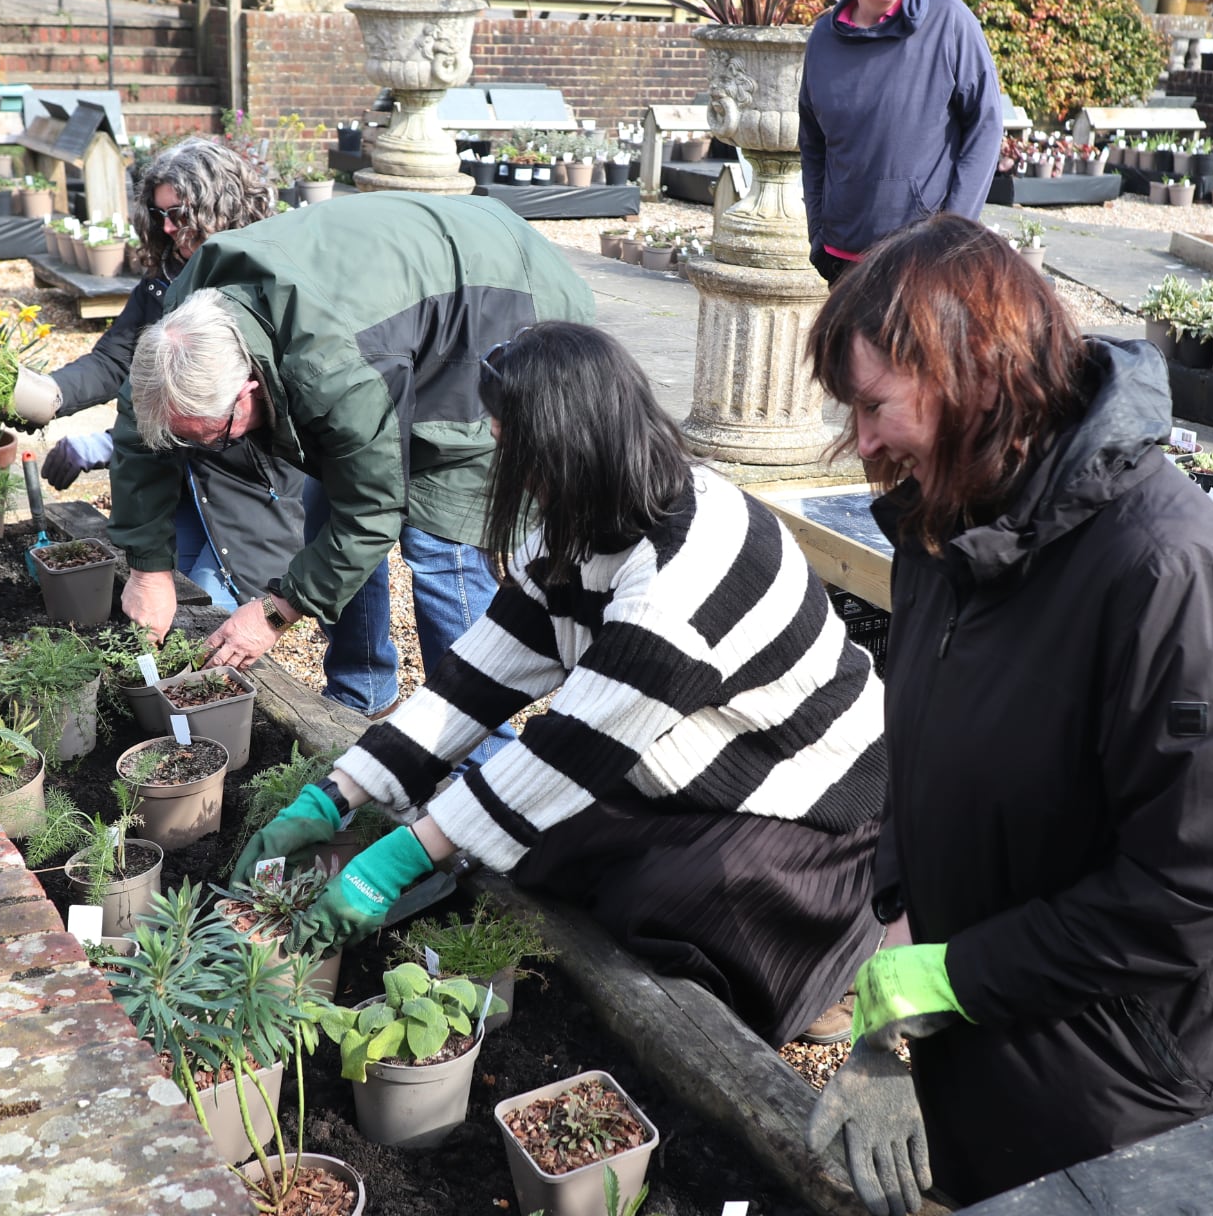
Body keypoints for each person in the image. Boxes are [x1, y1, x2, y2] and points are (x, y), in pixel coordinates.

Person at [802, 215, 1213, 1213]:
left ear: (975, 378)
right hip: (1014, 1034)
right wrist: (905, 932)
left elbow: (1195, 884)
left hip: (1154, 1094)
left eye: (875, 405)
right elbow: (931, 751)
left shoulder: (1163, 572)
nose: (862, 441)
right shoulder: (946, 527)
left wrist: (957, 974)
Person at [229, 322, 888, 1047]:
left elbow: (572, 746)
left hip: (809, 794)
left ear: (564, 447)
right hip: (684, 759)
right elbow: (472, 682)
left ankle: (836, 959)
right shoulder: (587, 523)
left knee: (668, 903)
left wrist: (395, 860)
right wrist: (336, 794)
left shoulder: (684, 573)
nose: (501, 460)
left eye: (508, 443)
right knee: (548, 856)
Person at [110, 192, 596, 730]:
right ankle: (361, 698)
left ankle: (475, 753)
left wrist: (275, 612)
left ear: (248, 388)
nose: (207, 451)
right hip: (403, 296)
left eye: (214, 438)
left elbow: (371, 510)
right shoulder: (182, 331)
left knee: (442, 544)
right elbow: (139, 431)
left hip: (499, 302)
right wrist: (148, 568)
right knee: (327, 501)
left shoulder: (335, 370)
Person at [11, 138, 296, 612]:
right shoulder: (165, 279)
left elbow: (242, 405)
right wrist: (50, 392)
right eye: (158, 213)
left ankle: (359, 664)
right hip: (184, 477)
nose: (166, 227)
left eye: (179, 214)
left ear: (221, 206)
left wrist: (109, 442)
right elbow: (116, 359)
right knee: (172, 597)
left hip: (253, 486)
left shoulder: (265, 282)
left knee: (211, 606)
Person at [797, 0, 1003, 285]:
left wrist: (951, 237)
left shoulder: (949, 22)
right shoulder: (823, 39)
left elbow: (986, 127)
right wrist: (818, 231)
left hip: (924, 264)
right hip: (844, 260)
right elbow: (813, 142)